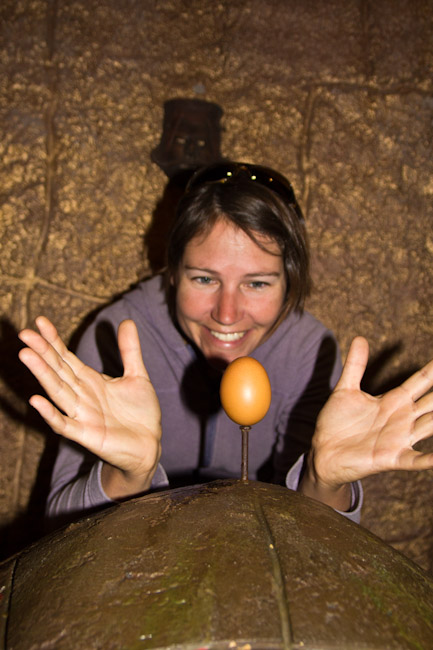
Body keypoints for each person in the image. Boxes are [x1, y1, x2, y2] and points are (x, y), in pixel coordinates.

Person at [18, 162, 433, 527]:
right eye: (204, 279)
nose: (227, 314)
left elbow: (320, 545)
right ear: (173, 271)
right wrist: (127, 477)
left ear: (289, 283)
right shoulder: (118, 337)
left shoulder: (310, 351)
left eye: (256, 283)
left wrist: (323, 481)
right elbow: (59, 522)